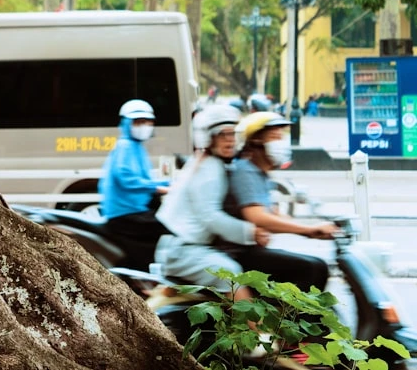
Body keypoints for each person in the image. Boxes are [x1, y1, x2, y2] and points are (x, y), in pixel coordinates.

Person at [155, 104, 266, 299]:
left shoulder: (205, 162)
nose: (230, 141)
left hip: (181, 247)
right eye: (223, 135)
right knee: (233, 276)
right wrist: (250, 232)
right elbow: (211, 216)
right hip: (183, 251)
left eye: (233, 134)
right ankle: (255, 331)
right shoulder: (209, 169)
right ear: (209, 137)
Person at [222, 112, 339, 291]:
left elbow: (274, 215)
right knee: (313, 268)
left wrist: (317, 227)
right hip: (237, 254)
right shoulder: (245, 171)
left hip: (250, 250)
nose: (281, 143)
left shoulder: (260, 174)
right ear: (256, 141)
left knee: (315, 265)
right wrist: (308, 230)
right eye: (275, 137)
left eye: (281, 137)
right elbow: (257, 217)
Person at [99, 99, 170, 269]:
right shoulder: (125, 146)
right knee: (169, 227)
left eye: (147, 122)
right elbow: (126, 179)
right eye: (138, 122)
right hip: (125, 213)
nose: (144, 126)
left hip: (134, 211)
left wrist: (171, 183)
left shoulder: (135, 146)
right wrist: (159, 187)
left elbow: (144, 179)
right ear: (127, 124)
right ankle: (151, 275)